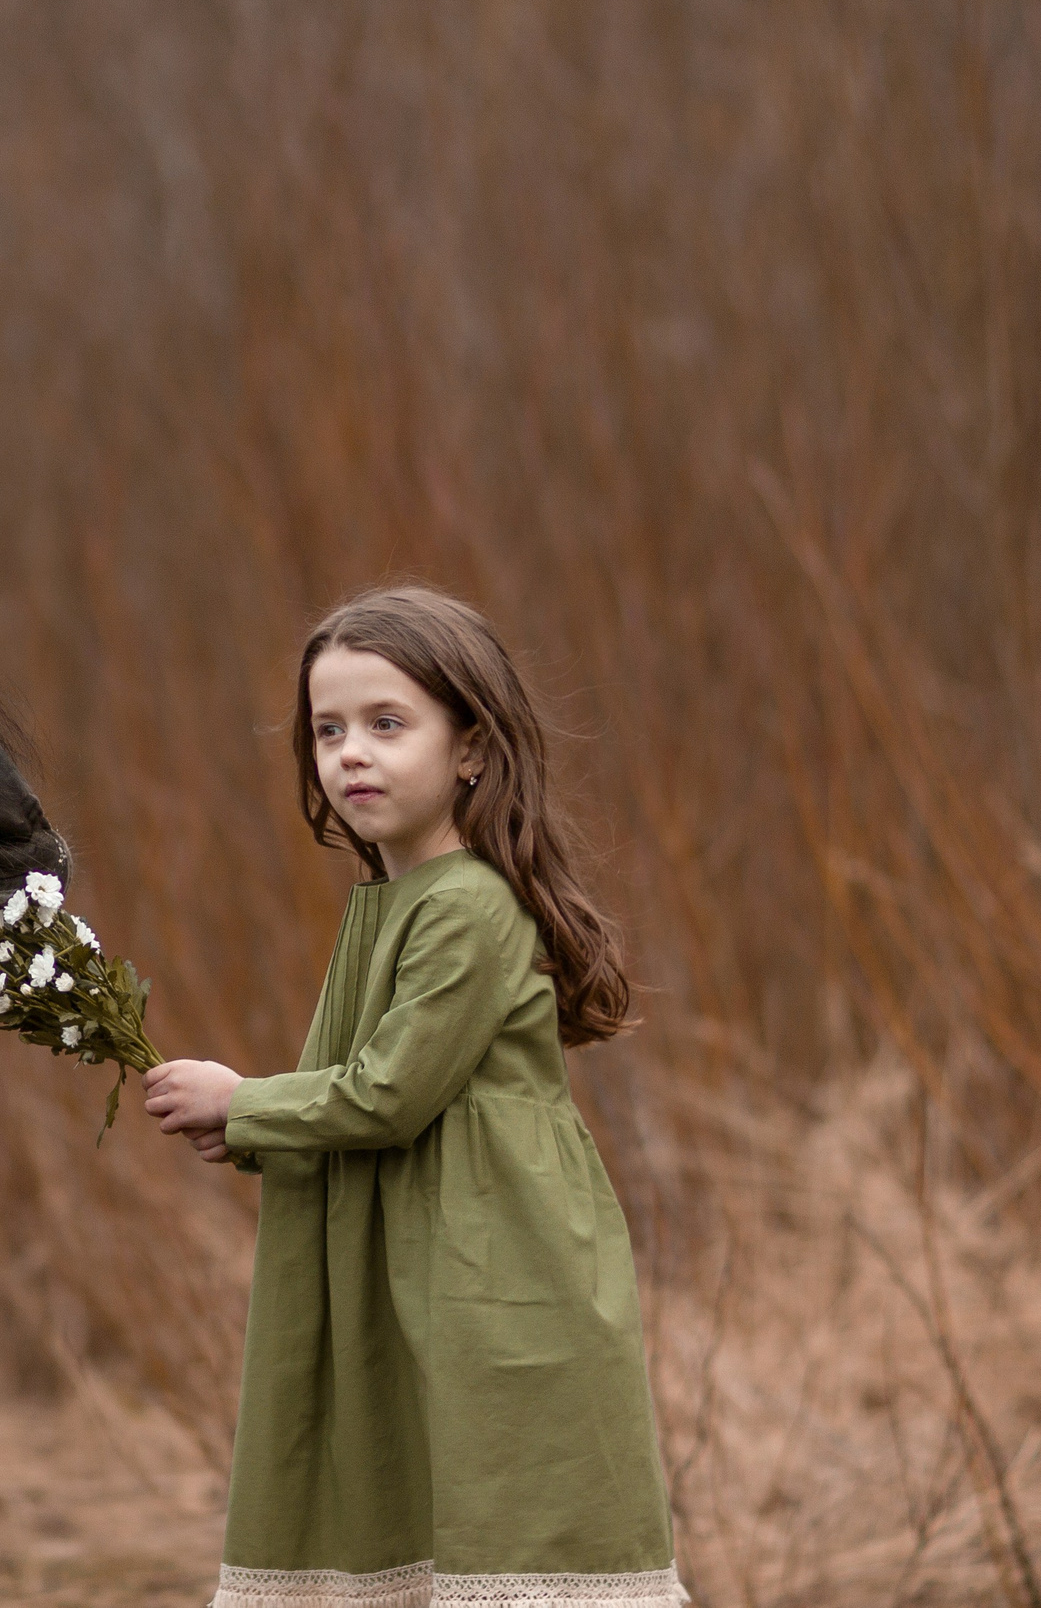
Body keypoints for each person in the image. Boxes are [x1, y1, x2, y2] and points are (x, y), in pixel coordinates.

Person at [142, 585, 683, 1608]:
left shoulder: (472, 902)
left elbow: (388, 1094)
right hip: (410, 1260)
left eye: (388, 725)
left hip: (491, 1273)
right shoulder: (392, 905)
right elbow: (367, 1087)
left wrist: (244, 1102)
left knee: (506, 1520)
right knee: (409, 1510)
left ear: (471, 748)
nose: (351, 753)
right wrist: (251, 1126)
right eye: (328, 729)